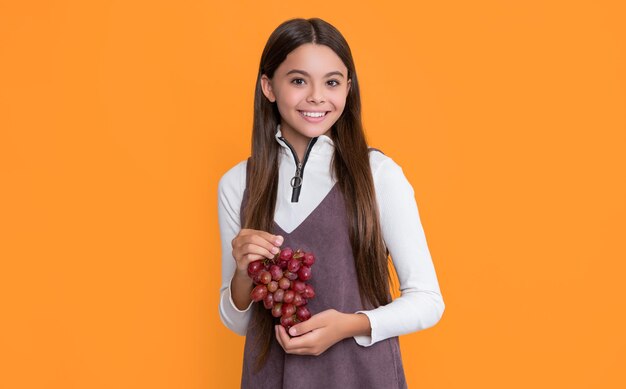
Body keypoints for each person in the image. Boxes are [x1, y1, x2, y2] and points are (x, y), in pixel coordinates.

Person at [217, 17, 445, 389]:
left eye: (332, 82)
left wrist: (351, 324)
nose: (317, 97)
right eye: (298, 80)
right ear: (268, 87)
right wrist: (243, 271)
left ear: (348, 89)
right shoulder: (237, 183)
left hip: (361, 376)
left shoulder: (378, 174)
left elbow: (428, 300)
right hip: (271, 378)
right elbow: (239, 322)